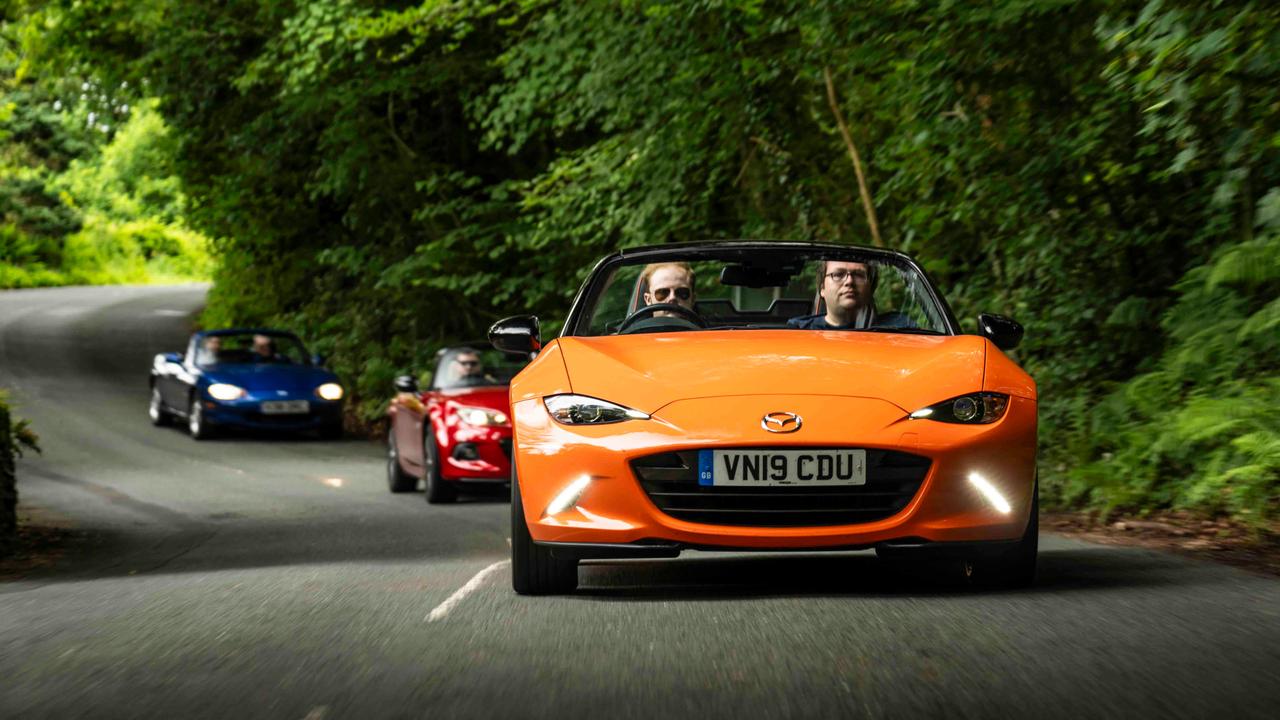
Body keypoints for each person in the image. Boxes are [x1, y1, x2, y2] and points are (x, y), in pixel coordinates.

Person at [787, 259, 911, 330]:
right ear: (822, 288)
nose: (849, 281)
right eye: (838, 274)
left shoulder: (900, 326)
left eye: (858, 275)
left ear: (871, 287)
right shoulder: (799, 330)